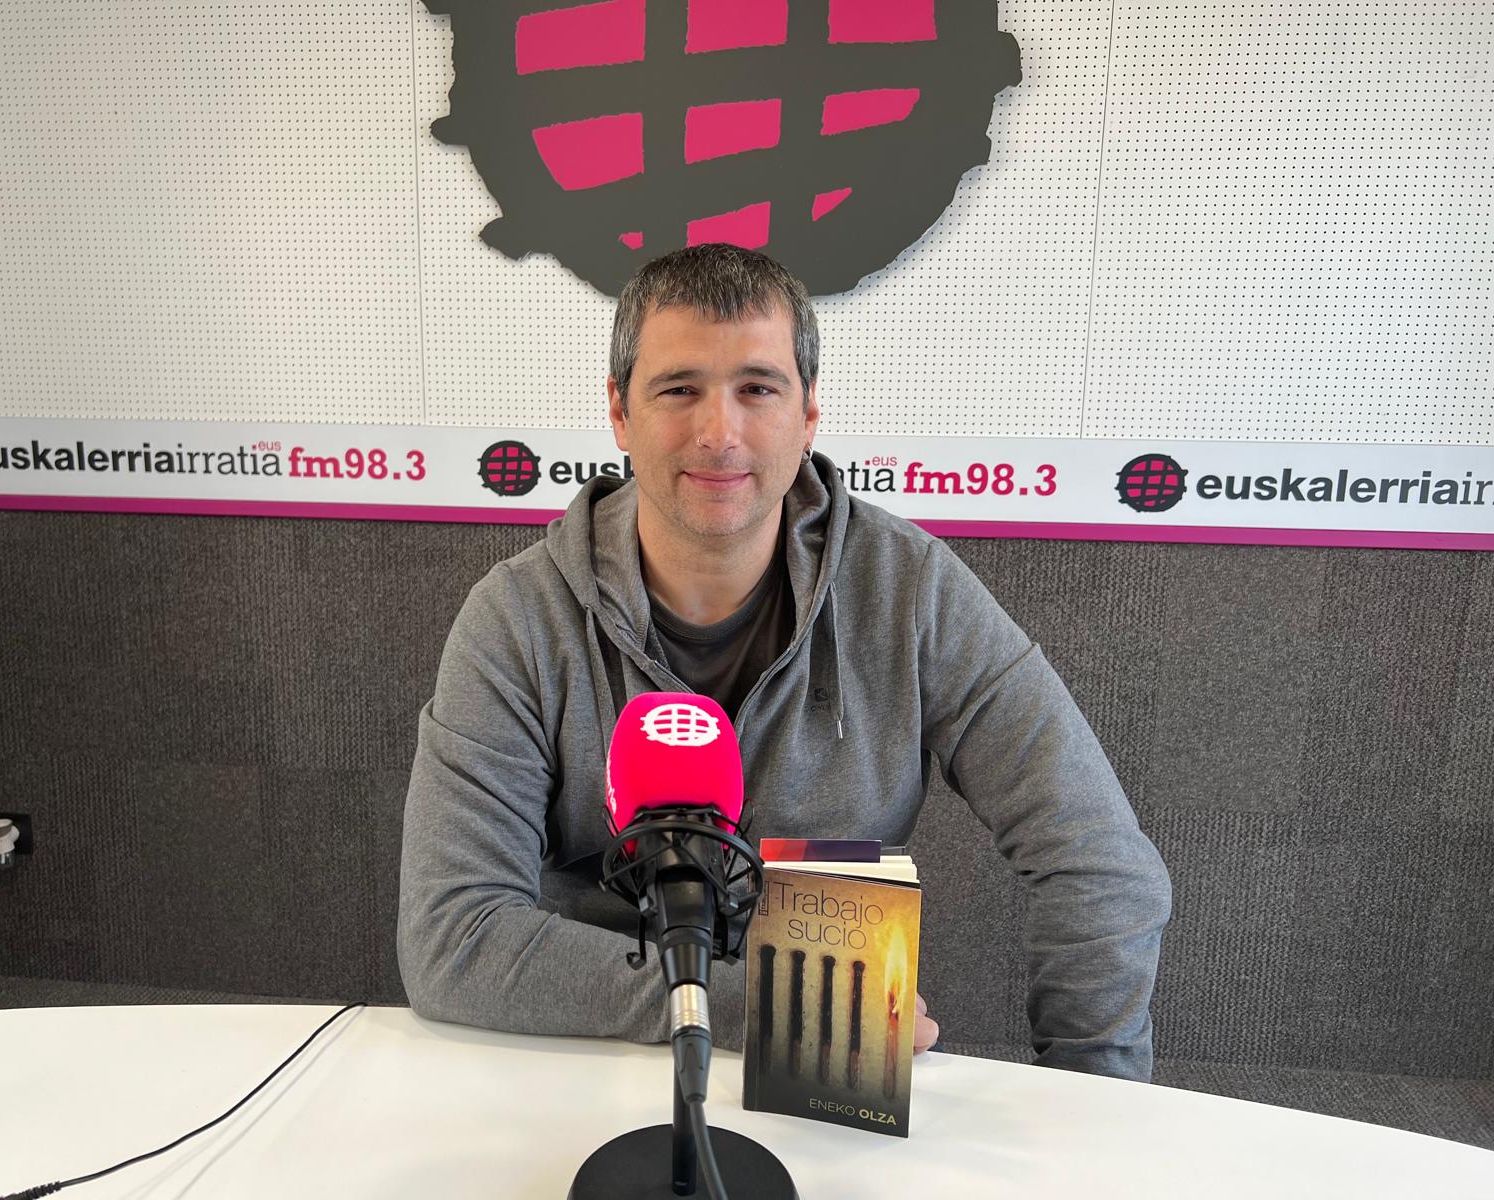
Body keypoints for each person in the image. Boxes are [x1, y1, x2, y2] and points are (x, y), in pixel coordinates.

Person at [398, 244, 1172, 1081]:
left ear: (808, 415)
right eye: (679, 389)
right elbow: (453, 936)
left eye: (758, 389)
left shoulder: (910, 591)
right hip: (593, 1054)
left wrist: (1093, 1104)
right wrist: (769, 1005)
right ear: (620, 413)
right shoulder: (519, 617)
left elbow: (1102, 865)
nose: (719, 433)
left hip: (828, 1067)